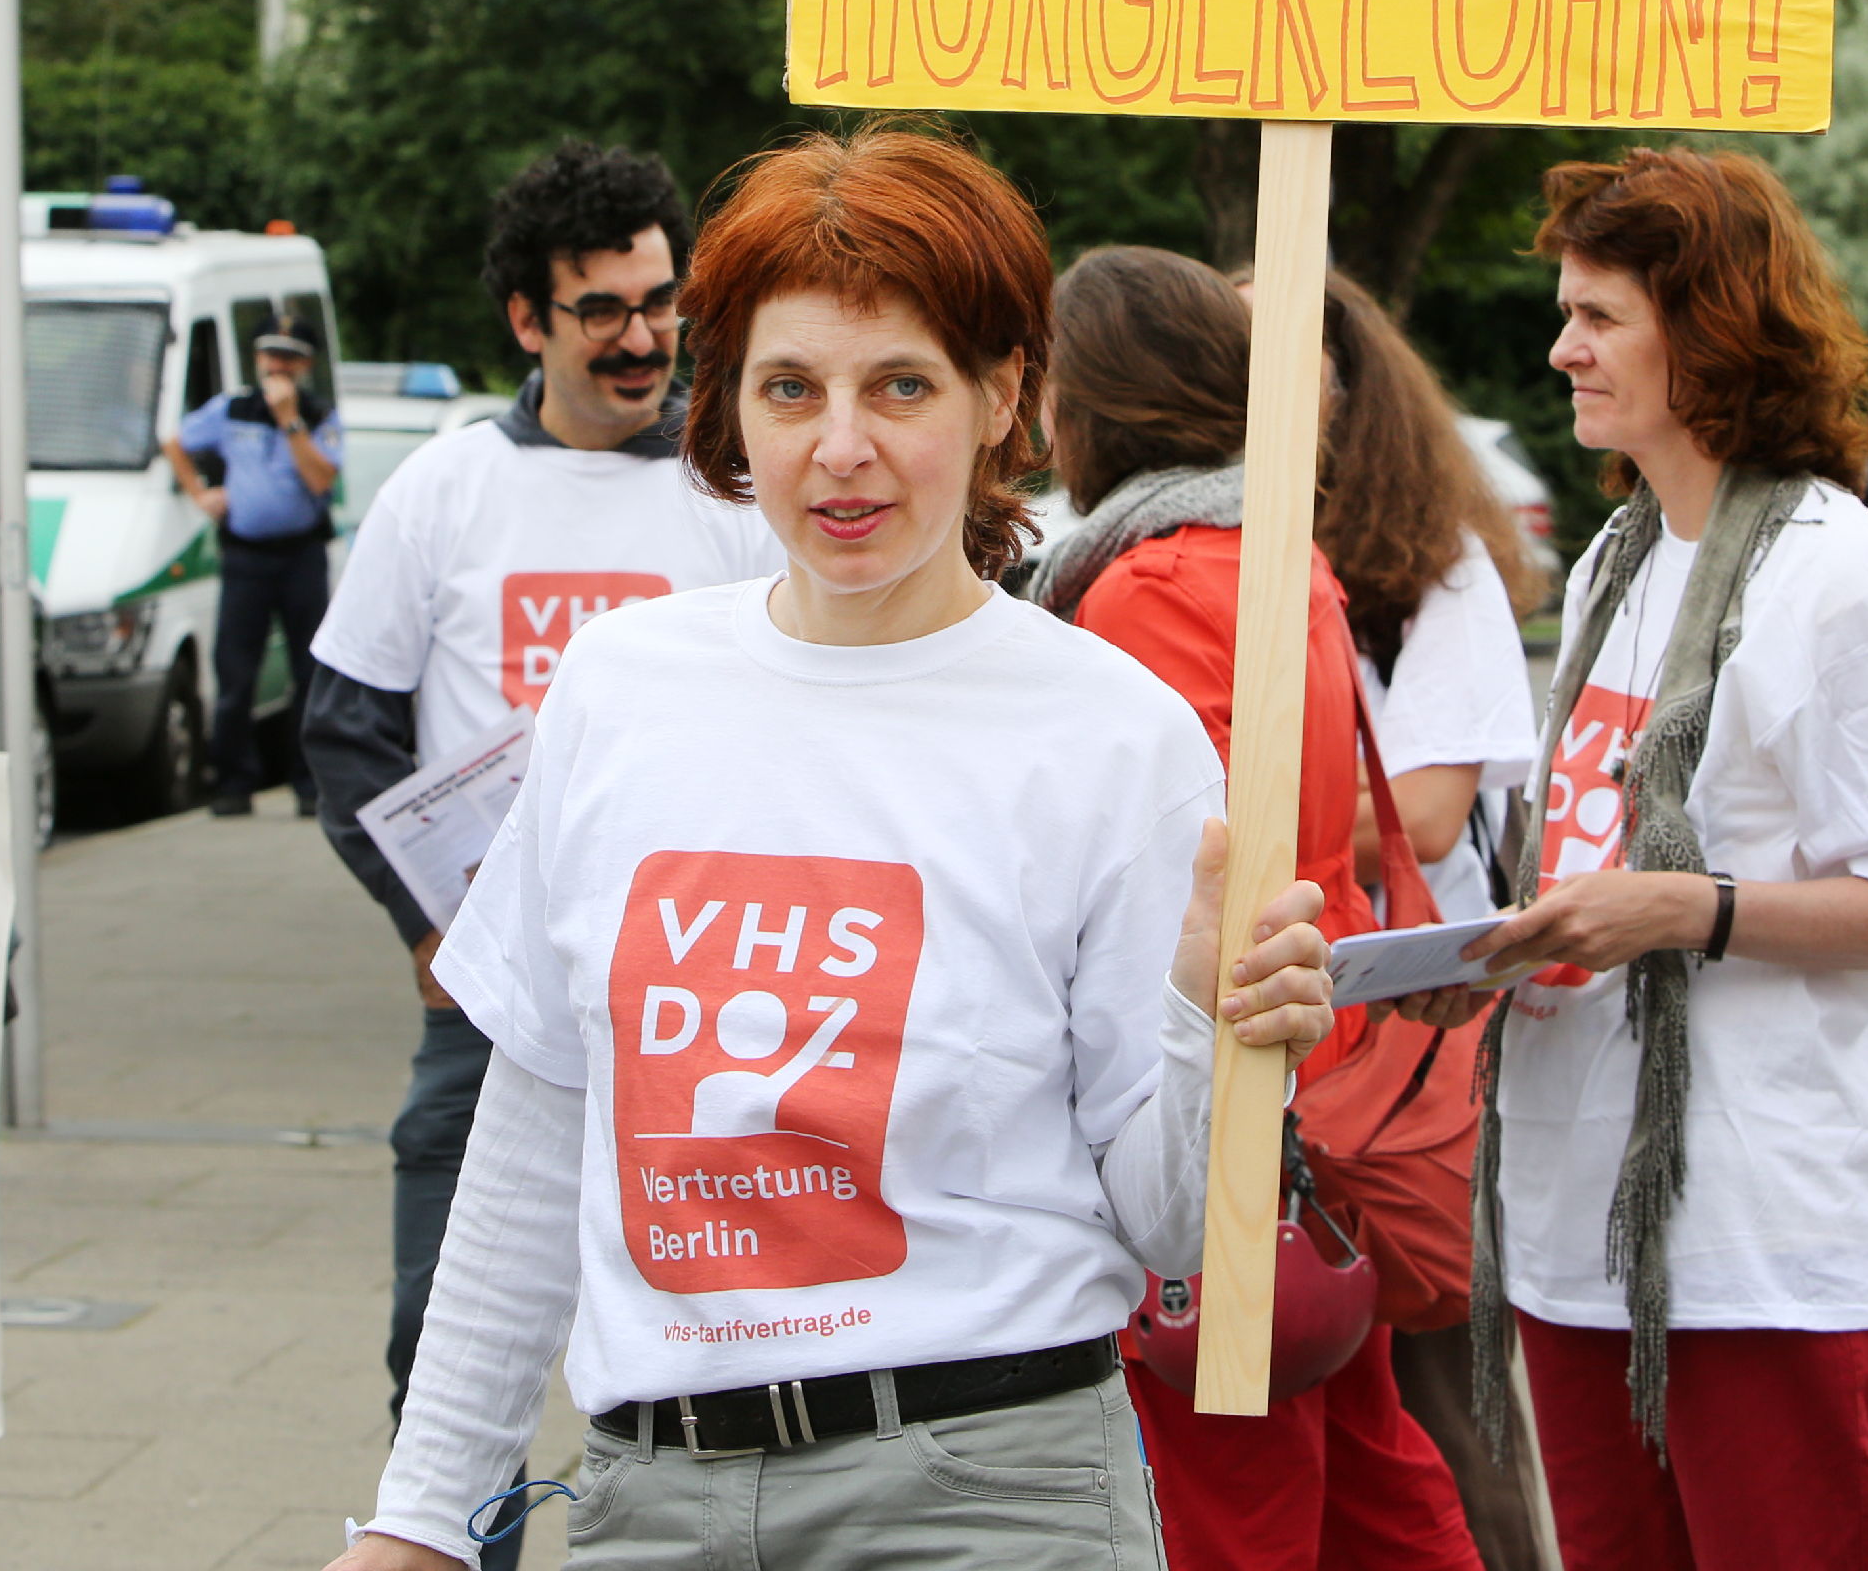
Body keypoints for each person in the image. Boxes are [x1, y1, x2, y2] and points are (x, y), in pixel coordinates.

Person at [324, 126, 1341, 1571]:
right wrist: (421, 1521)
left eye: (900, 386)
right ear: (728, 406)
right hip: (646, 1503)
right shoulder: (618, 689)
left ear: (1003, 397)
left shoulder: (1114, 733)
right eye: (788, 387)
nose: (839, 447)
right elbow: (536, 1138)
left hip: (986, 1500)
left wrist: (1209, 1030)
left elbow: (1171, 1229)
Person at [1411, 146, 1868, 1571]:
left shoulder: (1836, 574)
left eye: (1598, 314)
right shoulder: (1615, 556)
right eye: (1566, 309)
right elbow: (1582, 846)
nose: (1560, 349)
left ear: (1710, 323)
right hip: (1569, 1208)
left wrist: (1690, 910)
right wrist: (1480, 951)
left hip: (1752, 1230)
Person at [301, 141, 783, 1570]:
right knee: (440, 1362)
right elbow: (343, 734)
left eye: (659, 303)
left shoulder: (735, 486)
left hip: (709, 1011)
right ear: (527, 321)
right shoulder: (443, 493)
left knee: (721, 1370)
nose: (641, 338)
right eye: (601, 311)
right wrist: (430, 931)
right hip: (488, 1016)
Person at [1035, 244, 1478, 1571]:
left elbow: (1177, 871)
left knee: (1236, 1499)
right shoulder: (1271, 556)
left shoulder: (1148, 584)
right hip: (1307, 1087)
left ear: (1090, 405)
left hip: (1226, 1101)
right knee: (1368, 1475)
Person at [1311, 268, 1553, 1571]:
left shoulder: (1432, 566)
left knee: (1449, 1407)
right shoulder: (1206, 555)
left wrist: (1231, 835)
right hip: (1276, 1033)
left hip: (1415, 1039)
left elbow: (1420, 818)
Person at [164, 314, 346, 816]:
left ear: (306, 364)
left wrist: (290, 422)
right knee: (235, 672)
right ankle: (232, 784)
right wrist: (200, 494)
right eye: (271, 354)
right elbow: (175, 442)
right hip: (246, 555)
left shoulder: (317, 415)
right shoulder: (232, 409)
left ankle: (308, 785)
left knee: (308, 673)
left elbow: (320, 479)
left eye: (289, 356)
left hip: (300, 554)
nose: (279, 365)